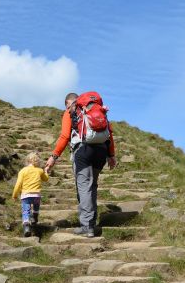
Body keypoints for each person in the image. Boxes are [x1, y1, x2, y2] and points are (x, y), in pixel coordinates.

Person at [45, 92, 117, 238]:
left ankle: (87, 226)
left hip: (83, 150)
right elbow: (109, 132)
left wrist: (54, 157)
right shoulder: (95, 109)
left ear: (68, 102)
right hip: (101, 151)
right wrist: (111, 155)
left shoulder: (71, 111)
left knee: (84, 187)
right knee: (93, 186)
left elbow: (65, 136)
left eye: (66, 105)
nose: (67, 108)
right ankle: (92, 222)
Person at [12, 152, 49, 237]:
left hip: (26, 195)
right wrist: (46, 171)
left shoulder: (23, 171)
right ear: (37, 162)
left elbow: (18, 184)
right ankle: (35, 217)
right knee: (36, 206)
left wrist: (14, 195)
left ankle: (26, 227)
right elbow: (46, 179)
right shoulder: (39, 170)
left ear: (27, 161)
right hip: (36, 195)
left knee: (26, 211)